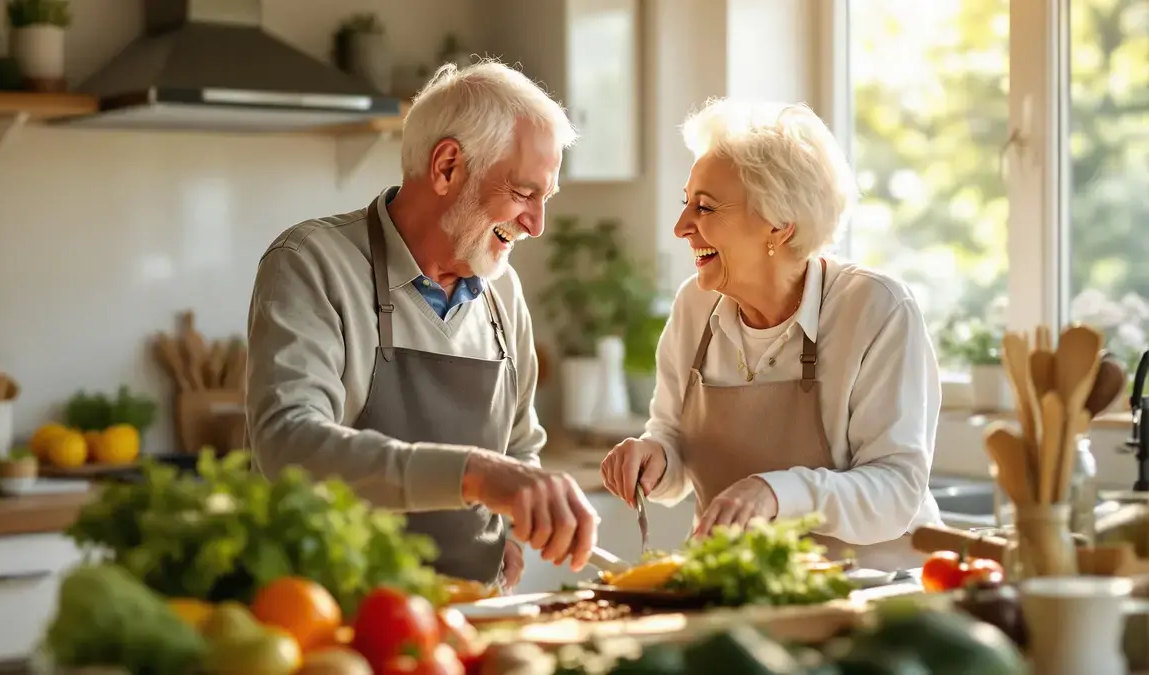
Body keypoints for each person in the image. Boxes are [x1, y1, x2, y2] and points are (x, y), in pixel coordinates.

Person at [246, 60, 598, 590]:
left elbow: (521, 447)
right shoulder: (311, 261)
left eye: (544, 200)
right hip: (333, 625)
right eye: (525, 193)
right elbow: (288, 443)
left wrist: (512, 531)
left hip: (465, 624)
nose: (536, 224)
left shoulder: (503, 292)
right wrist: (475, 476)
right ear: (448, 166)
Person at [601, 98, 943, 571]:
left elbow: (896, 491)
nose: (681, 227)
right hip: (740, 583)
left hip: (870, 593)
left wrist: (776, 491)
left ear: (780, 226)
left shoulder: (876, 308)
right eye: (687, 204)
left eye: (704, 207)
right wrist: (654, 458)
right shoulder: (695, 306)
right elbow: (673, 442)